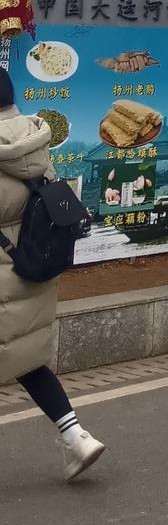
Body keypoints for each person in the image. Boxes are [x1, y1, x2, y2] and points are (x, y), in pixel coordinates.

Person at [0, 68, 105, 480]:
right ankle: (77, 437)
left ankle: (76, 438)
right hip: (31, 267)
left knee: (20, 356)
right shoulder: (34, 143)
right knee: (26, 359)